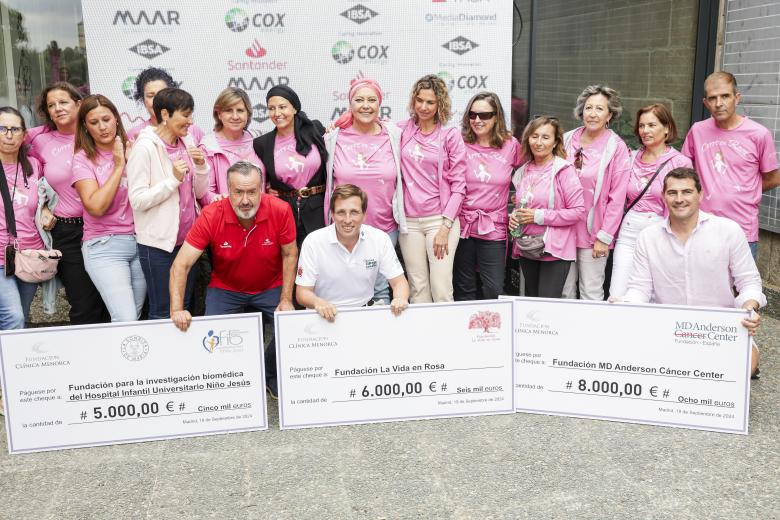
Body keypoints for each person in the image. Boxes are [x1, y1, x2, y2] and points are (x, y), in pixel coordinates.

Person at [170, 161, 297, 397]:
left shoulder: (280, 209)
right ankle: (230, 380)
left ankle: (268, 372)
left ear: (262, 190)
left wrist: (286, 299)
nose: (245, 200)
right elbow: (181, 264)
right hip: (226, 287)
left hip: (270, 285)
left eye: (252, 192)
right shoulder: (211, 214)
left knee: (291, 327)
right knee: (212, 337)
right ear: (228, 190)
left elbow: (290, 254)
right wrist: (177, 309)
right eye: (238, 192)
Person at [621, 168, 764, 377]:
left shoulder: (728, 231)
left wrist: (749, 308)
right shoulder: (648, 237)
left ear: (700, 194)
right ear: (663, 197)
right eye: (672, 193)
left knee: (742, 370)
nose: (679, 199)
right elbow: (639, 288)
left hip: (718, 331)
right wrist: (625, 305)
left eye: (687, 192)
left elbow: (749, 281)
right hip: (666, 329)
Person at [28, 81, 109, 324]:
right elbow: (33, 183)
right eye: (51, 105)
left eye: (63, 102)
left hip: (106, 230)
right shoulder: (39, 139)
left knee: (110, 299)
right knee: (83, 302)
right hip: (67, 231)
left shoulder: (98, 133)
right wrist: (42, 208)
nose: (57, 109)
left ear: (79, 104)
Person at [126, 87, 209, 320]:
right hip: (158, 246)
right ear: (165, 114)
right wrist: (172, 180)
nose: (190, 121)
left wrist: (201, 166)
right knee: (164, 311)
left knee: (186, 307)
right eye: (185, 114)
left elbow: (200, 192)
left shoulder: (188, 141)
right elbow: (138, 200)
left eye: (191, 114)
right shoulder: (144, 147)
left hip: (188, 243)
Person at [682, 71, 780, 258]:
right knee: (700, 284)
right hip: (702, 225)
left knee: (739, 286)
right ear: (705, 103)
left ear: (737, 98)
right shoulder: (697, 131)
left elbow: (774, 178)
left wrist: (745, 191)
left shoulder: (759, 134)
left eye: (725, 96)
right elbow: (685, 172)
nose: (719, 103)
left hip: (741, 229)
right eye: (712, 98)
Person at [326, 78, 404, 303]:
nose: (365, 105)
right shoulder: (334, 137)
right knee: (347, 292)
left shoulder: (394, 135)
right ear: (350, 105)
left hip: (385, 226)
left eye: (372, 99)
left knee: (380, 291)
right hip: (346, 228)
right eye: (359, 100)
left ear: (380, 103)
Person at [72, 95, 146, 322]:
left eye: (106, 119)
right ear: (85, 126)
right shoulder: (82, 159)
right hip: (104, 246)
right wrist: (119, 166)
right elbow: (96, 206)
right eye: (94, 122)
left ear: (116, 118)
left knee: (135, 318)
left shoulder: (136, 146)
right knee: (126, 318)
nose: (102, 127)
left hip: (141, 242)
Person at [609, 104, 692, 298]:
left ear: (666, 128)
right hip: (629, 231)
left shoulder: (679, 162)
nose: (645, 131)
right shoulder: (629, 158)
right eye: (642, 126)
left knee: (656, 294)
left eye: (652, 125)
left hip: (661, 231)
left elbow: (686, 204)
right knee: (618, 293)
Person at [397, 74, 466, 303]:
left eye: (430, 102)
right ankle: (423, 337)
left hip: (440, 220)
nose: (423, 107)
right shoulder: (402, 130)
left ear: (440, 105)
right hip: (409, 222)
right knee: (418, 287)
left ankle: (446, 338)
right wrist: (341, 120)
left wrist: (445, 227)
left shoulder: (449, 135)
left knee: (441, 287)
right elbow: (368, 122)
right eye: (419, 100)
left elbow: (459, 186)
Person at [296, 184, 409, 321]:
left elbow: (399, 283)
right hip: (324, 316)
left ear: (365, 215)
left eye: (354, 212)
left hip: (364, 314)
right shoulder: (313, 242)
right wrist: (317, 302)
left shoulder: (379, 239)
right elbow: (302, 293)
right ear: (332, 214)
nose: (348, 220)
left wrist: (400, 299)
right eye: (341, 212)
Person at [562, 85, 631, 300]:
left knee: (591, 292)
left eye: (599, 109)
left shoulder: (616, 147)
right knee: (564, 292)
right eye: (588, 107)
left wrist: (605, 237)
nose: (592, 113)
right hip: (563, 230)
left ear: (610, 114)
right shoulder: (565, 139)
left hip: (594, 233)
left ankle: (589, 333)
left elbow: (617, 198)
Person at [454, 92, 522, 301]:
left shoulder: (511, 145)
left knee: (494, 289)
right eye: (473, 115)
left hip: (494, 228)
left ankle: (491, 330)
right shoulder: (459, 141)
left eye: (484, 115)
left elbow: (529, 174)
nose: (477, 120)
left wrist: (520, 201)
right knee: (464, 287)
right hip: (463, 226)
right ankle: (467, 330)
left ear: (496, 117)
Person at [508, 117, 585, 298]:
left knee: (546, 305)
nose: (539, 142)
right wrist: (513, 218)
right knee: (532, 304)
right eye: (534, 136)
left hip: (554, 250)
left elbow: (577, 211)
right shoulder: (522, 171)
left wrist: (538, 216)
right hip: (527, 246)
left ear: (555, 141)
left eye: (545, 137)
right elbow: (522, 206)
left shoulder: (564, 170)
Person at [253, 85, 327, 247]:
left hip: (318, 210)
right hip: (285, 213)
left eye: (282, 107)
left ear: (294, 108)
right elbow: (261, 176)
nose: (277, 113)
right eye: (271, 108)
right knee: (289, 260)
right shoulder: (262, 143)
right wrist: (267, 190)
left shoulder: (315, 129)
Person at [0, 107, 50, 329]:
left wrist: (48, 209)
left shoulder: (34, 166)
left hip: (30, 255)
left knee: (21, 315)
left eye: (14, 129)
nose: (9, 135)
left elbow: (46, 198)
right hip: (1, 256)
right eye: (2, 129)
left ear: (23, 134)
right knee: (14, 317)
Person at [200, 87, 263, 205]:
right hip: (227, 216)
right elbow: (204, 193)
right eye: (228, 110)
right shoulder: (208, 147)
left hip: (261, 215)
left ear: (248, 113)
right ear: (219, 114)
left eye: (240, 110)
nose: (235, 116)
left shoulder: (257, 139)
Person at [127, 67, 204, 143]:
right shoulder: (135, 134)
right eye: (151, 96)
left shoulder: (193, 131)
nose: (157, 100)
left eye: (162, 94)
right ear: (142, 99)